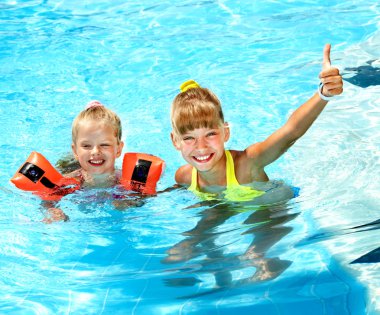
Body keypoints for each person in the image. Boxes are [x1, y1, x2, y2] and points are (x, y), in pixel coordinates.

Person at [170, 44, 343, 201]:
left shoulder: (248, 163)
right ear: (175, 141)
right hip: (228, 205)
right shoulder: (184, 177)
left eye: (210, 134)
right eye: (189, 138)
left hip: (271, 210)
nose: (201, 147)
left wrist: (324, 93)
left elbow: (291, 132)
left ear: (226, 132)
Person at [44, 100, 126, 222]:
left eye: (104, 145)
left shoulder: (126, 180)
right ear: (75, 151)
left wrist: (130, 203)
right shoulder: (69, 182)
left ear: (118, 149)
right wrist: (53, 212)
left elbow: (146, 197)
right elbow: (47, 201)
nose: (95, 152)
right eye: (87, 146)